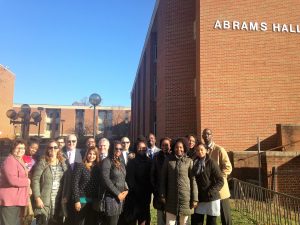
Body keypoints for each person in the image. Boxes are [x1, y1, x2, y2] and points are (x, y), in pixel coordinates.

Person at [160, 137, 198, 225]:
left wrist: (195, 198)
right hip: (170, 198)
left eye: (181, 147)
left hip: (185, 199)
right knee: (170, 223)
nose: (178, 149)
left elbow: (193, 180)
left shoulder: (189, 161)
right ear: (173, 148)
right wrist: (162, 195)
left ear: (184, 148)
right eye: (176, 147)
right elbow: (163, 179)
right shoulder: (168, 160)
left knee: (183, 223)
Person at [32, 140, 68, 225]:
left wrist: (66, 195)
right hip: (44, 200)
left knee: (56, 222)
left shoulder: (63, 163)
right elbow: (35, 180)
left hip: (59, 200)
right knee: (42, 222)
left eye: (55, 147)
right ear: (47, 149)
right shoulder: (43, 162)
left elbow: (67, 181)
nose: (53, 149)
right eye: (50, 147)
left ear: (59, 149)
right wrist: (37, 198)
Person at [202, 129, 232, 225]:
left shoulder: (219, 150)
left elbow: (228, 167)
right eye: (204, 134)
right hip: (208, 189)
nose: (206, 136)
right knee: (211, 215)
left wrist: (219, 179)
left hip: (221, 189)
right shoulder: (201, 150)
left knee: (225, 216)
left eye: (208, 134)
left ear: (212, 136)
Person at [191, 144, 224, 225]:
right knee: (197, 221)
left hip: (211, 198)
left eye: (202, 149)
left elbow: (220, 181)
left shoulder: (212, 162)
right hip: (199, 198)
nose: (200, 152)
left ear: (206, 150)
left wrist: (211, 192)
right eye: (198, 150)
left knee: (211, 222)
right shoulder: (193, 163)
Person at [0, 139, 30, 225]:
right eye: (18, 148)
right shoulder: (10, 161)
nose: (21, 150)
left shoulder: (18, 160)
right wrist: (27, 182)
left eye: (23, 148)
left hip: (16, 200)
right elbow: (12, 180)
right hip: (9, 201)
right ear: (12, 149)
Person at [101, 141, 128, 225]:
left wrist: (126, 189)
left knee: (117, 221)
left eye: (120, 149)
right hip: (111, 198)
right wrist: (118, 194)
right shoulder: (107, 161)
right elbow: (105, 179)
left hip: (120, 198)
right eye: (116, 148)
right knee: (111, 222)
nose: (118, 150)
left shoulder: (121, 162)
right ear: (112, 149)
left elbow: (123, 178)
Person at [126, 139, 153, 225]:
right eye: (139, 147)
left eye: (144, 147)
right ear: (136, 148)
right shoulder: (131, 162)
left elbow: (151, 178)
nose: (141, 149)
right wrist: (136, 191)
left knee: (144, 220)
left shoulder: (149, 161)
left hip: (145, 196)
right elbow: (130, 180)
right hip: (134, 197)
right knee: (132, 220)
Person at [72, 146, 100, 225]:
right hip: (82, 199)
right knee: (80, 222)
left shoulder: (97, 167)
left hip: (93, 200)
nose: (91, 156)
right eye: (90, 154)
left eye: (94, 154)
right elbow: (75, 184)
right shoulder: (81, 166)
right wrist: (77, 200)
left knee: (91, 221)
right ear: (86, 154)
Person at [151, 137, 172, 225]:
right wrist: (156, 189)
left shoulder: (173, 156)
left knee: (171, 219)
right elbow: (152, 175)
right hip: (159, 192)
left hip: (171, 193)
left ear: (170, 146)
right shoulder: (156, 157)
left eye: (166, 145)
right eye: (162, 145)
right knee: (160, 219)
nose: (164, 147)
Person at [62, 134, 83, 225]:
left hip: (78, 190)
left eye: (73, 141)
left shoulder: (82, 152)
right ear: (65, 142)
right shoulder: (60, 153)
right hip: (63, 188)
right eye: (69, 141)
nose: (71, 143)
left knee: (77, 216)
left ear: (76, 142)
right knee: (62, 215)